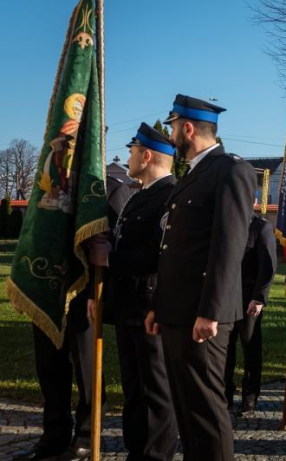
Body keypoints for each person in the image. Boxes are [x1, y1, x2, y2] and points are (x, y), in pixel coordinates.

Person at [145, 95, 256, 461]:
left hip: (203, 314)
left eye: (174, 127)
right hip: (178, 310)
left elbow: (228, 247)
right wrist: (158, 305)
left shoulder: (230, 170)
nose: (172, 133)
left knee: (206, 410)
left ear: (187, 128)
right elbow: (173, 249)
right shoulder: (193, 173)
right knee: (186, 407)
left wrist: (212, 311)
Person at [13, 181, 128, 461]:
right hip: (49, 292)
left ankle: (88, 436)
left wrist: (97, 293)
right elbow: (33, 236)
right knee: (49, 368)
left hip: (85, 294)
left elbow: (118, 242)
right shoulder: (49, 181)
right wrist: (27, 287)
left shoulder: (109, 189)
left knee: (88, 371)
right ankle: (54, 435)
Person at [86, 123, 178, 461]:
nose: (128, 157)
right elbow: (127, 244)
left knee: (155, 389)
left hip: (150, 307)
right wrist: (103, 295)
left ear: (148, 154)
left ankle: (156, 455)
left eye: (132, 151)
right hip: (128, 306)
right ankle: (137, 450)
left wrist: (111, 258)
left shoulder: (170, 196)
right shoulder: (139, 195)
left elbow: (162, 254)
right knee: (134, 388)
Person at [224, 182, 277, 415]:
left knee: (250, 348)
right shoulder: (226, 225)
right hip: (225, 300)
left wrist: (259, 298)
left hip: (248, 300)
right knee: (224, 351)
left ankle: (250, 397)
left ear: (254, 203)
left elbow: (268, 267)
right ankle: (225, 395)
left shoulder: (261, 228)